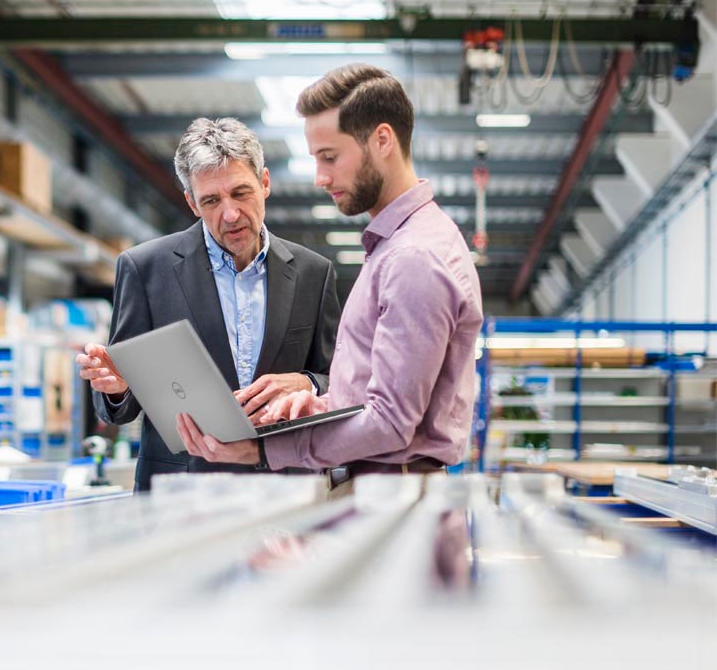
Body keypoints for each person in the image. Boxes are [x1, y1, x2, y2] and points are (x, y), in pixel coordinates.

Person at [176, 64, 484, 495]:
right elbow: (378, 400)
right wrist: (322, 405)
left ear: (382, 141)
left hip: (391, 495)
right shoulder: (395, 247)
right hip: (382, 490)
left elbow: (391, 423)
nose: (320, 178)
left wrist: (262, 450)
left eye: (330, 157)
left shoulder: (413, 257)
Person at [78, 117, 340, 492]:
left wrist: (308, 383)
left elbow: (341, 381)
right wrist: (118, 387)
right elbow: (121, 406)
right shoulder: (145, 270)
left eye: (241, 193)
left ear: (265, 183)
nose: (230, 214)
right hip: (181, 493)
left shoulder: (314, 273)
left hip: (284, 488)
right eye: (212, 201)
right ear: (191, 202)